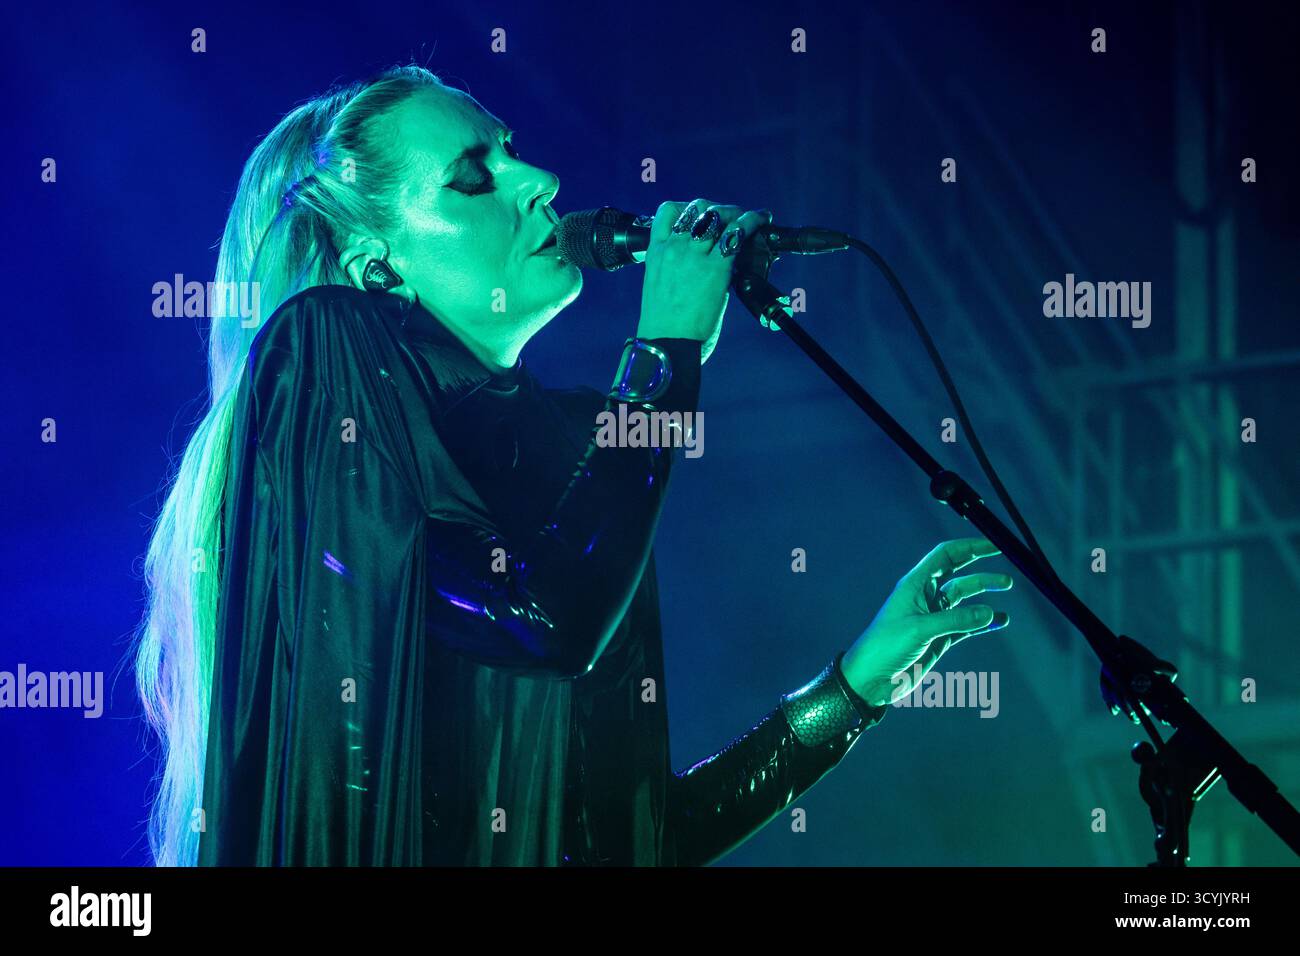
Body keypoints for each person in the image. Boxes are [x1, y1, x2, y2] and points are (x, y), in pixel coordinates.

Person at [133, 64, 1013, 866]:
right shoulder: (319, 345)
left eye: (513, 153)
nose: (540, 181)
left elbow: (633, 842)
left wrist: (856, 684)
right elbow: (546, 618)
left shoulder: (578, 447)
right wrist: (664, 352)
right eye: (476, 177)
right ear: (377, 272)